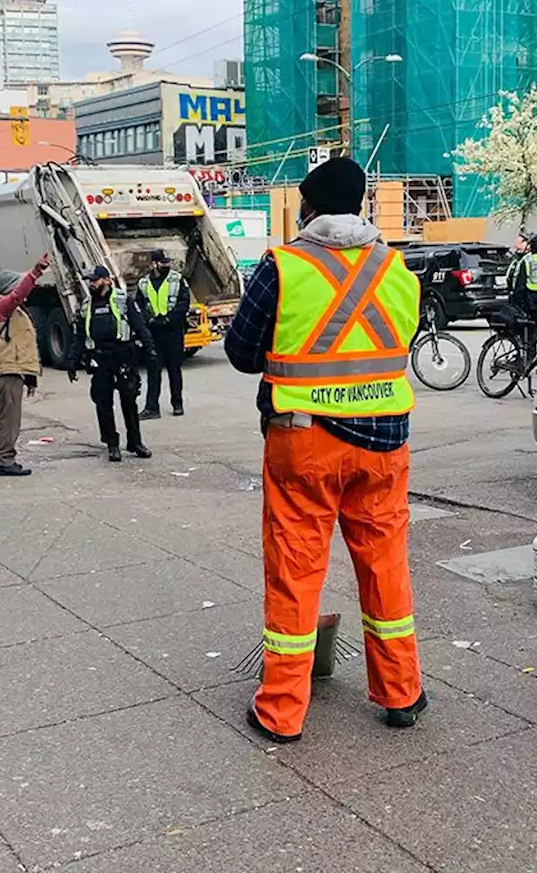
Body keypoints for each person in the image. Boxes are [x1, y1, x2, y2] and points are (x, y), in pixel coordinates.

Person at [225, 155, 426, 744]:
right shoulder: (398, 270)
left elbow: (240, 351)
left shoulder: (283, 266)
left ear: (308, 208)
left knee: (295, 570)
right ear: (361, 204)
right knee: (385, 566)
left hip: (304, 441)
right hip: (385, 442)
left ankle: (282, 710)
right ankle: (402, 693)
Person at [66, 265, 154, 462]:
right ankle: (112, 444)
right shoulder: (87, 305)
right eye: (90, 280)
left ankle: (135, 442)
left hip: (123, 356)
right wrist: (72, 361)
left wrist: (150, 350)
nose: (91, 284)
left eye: (95, 280)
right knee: (103, 403)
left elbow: (139, 325)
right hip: (99, 358)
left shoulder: (123, 300)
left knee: (129, 401)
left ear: (106, 280)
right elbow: (79, 336)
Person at [0, 254, 49, 477]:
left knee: (9, 419)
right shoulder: (0, 308)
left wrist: (30, 377)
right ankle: (4, 460)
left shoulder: (16, 312)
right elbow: (16, 296)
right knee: (9, 421)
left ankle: (1, 458)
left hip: (12, 371)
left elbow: (23, 346)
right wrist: (35, 273)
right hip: (4, 373)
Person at [137, 248, 189, 419]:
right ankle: (152, 407)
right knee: (153, 370)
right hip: (154, 332)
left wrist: (169, 320)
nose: (166, 265)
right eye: (163, 262)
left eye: (168, 262)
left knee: (174, 369)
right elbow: (140, 305)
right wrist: (148, 320)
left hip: (172, 330)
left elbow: (184, 303)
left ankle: (177, 404)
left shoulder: (177, 279)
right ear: (154, 264)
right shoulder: (143, 283)